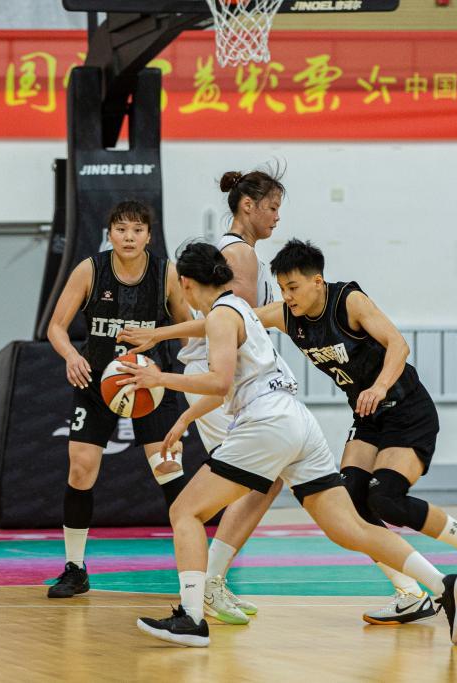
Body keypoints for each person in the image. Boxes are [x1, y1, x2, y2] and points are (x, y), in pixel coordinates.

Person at [122, 239, 457, 624]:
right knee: (350, 520)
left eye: (293, 287)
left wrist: (159, 376)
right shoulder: (261, 312)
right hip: (320, 419)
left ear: (317, 281)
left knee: (382, 500)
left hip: (396, 408)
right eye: (282, 288)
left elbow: (398, 345)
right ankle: (435, 588)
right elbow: (217, 327)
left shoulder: (346, 302)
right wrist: (161, 339)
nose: (287, 296)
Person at [45, 200, 193, 598]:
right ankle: (75, 568)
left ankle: (196, 574)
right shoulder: (90, 270)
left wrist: (197, 375)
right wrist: (71, 355)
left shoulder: (165, 273)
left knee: (169, 471)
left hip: (151, 383)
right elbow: (56, 327)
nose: (129, 237)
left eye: (137, 230)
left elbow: (188, 327)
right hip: (98, 381)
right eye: (122, 229)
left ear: (149, 235)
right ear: (109, 233)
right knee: (81, 468)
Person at [169, 168, 291, 624]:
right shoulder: (240, 253)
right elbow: (234, 319)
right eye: (272, 208)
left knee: (269, 479)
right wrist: (290, 311)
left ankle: (212, 580)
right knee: (261, 478)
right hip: (221, 378)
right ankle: (207, 585)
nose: (276, 217)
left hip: (230, 378)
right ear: (247, 206)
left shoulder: (235, 250)